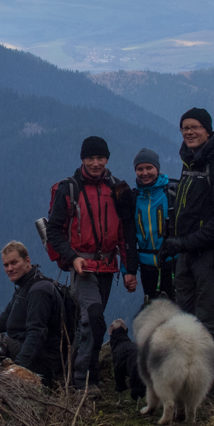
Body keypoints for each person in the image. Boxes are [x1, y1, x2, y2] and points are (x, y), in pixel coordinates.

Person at [46, 135, 138, 391]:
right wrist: (72, 257)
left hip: (108, 267)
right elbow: (54, 230)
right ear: (82, 159)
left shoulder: (118, 189)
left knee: (94, 323)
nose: (96, 163)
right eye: (90, 158)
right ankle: (79, 383)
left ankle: (90, 377)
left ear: (107, 159)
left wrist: (130, 270)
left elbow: (126, 232)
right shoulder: (69, 188)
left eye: (100, 158)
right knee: (91, 319)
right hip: (83, 267)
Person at [158, 108, 214, 386]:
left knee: (210, 318)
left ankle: (212, 379)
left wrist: (182, 243)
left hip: (213, 256)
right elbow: (184, 210)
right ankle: (190, 376)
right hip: (186, 255)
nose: (189, 132)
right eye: (184, 128)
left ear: (208, 130)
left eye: (194, 127)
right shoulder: (191, 162)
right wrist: (172, 244)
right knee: (186, 318)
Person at [0, 241, 65, 387]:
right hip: (24, 347)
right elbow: (6, 318)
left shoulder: (39, 290)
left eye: (14, 263)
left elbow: (37, 333)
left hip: (42, 357)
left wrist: (19, 367)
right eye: (6, 265)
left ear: (27, 261)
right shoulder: (24, 286)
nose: (10, 268)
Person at [131, 147, 177, 302]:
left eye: (149, 168)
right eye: (140, 169)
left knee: (177, 310)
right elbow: (127, 236)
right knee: (153, 311)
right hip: (146, 266)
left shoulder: (171, 192)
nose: (145, 173)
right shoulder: (133, 198)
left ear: (157, 169)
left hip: (173, 263)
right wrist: (127, 270)